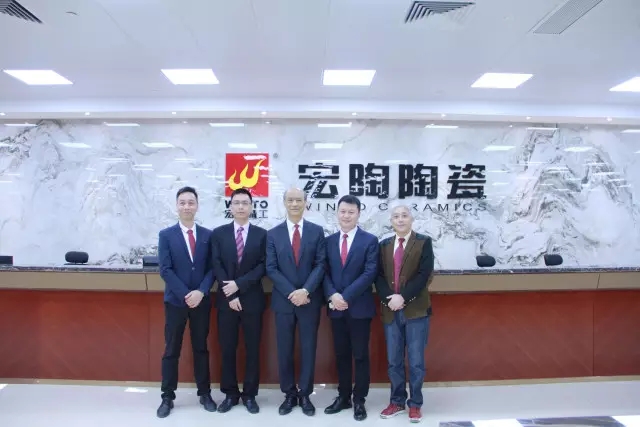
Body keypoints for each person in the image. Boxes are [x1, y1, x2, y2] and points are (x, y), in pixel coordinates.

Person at [156, 186, 216, 418]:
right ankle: (167, 397)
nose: (187, 207)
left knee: (201, 348)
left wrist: (201, 291)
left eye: (191, 202)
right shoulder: (166, 235)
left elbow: (212, 268)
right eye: (182, 203)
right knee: (172, 349)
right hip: (176, 302)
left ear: (197, 206)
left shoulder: (208, 235)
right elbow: (165, 270)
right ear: (177, 206)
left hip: (201, 301)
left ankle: (205, 393)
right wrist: (186, 294)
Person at [266, 187, 326, 416]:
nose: (294, 204)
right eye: (290, 200)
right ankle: (289, 394)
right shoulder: (273, 234)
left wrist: (306, 290)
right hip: (284, 301)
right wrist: (293, 292)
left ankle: (305, 394)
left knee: (309, 348)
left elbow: (320, 264)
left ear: (305, 203)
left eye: (298, 200)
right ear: (284, 202)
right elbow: (271, 268)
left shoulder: (316, 231)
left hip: (309, 300)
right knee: (284, 349)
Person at [375, 205, 434, 424]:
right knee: (394, 361)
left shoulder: (423, 242)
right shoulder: (383, 245)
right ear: (391, 221)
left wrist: (403, 297)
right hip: (391, 311)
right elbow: (378, 276)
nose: (400, 220)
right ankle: (397, 401)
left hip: (416, 310)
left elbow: (424, 275)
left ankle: (415, 404)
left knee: (416, 362)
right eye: (396, 216)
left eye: (404, 216)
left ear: (411, 219)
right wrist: (389, 299)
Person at [211, 188, 267, 414]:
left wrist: (239, 285)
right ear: (230, 207)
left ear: (252, 207)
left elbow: (263, 266)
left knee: (253, 349)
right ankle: (230, 394)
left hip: (252, 300)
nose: (241, 207)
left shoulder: (262, 235)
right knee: (227, 348)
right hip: (226, 301)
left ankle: (250, 395)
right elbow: (216, 264)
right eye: (237, 203)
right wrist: (231, 293)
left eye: (245, 203)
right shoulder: (218, 234)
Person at [322, 195, 379, 421]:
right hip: (336, 308)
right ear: (337, 213)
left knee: (361, 355)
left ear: (358, 214)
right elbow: (323, 272)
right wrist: (333, 295)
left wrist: (345, 296)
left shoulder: (370, 241)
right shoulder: (328, 241)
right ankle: (343, 396)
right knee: (341, 355)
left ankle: (359, 400)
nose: (346, 216)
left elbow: (370, 273)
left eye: (351, 212)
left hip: (359, 308)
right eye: (343, 211)